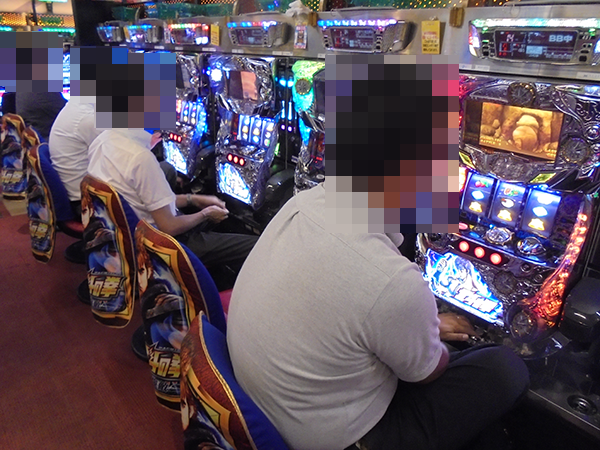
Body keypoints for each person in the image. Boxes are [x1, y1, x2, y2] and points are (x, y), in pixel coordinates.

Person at [226, 182, 530, 450]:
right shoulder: (393, 281)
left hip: (262, 403)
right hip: (329, 438)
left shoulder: (302, 203)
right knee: (505, 369)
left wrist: (413, 326)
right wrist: (423, 331)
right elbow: (427, 373)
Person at [88, 128, 258, 283]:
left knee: (172, 177)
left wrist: (194, 199)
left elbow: (145, 198)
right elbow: (169, 227)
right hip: (158, 245)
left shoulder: (103, 139)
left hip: (118, 235)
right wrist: (205, 213)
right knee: (255, 245)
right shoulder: (140, 157)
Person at [49, 100, 104, 212]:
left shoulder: (76, 104)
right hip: (84, 203)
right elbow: (117, 151)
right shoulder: (88, 118)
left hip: (76, 191)